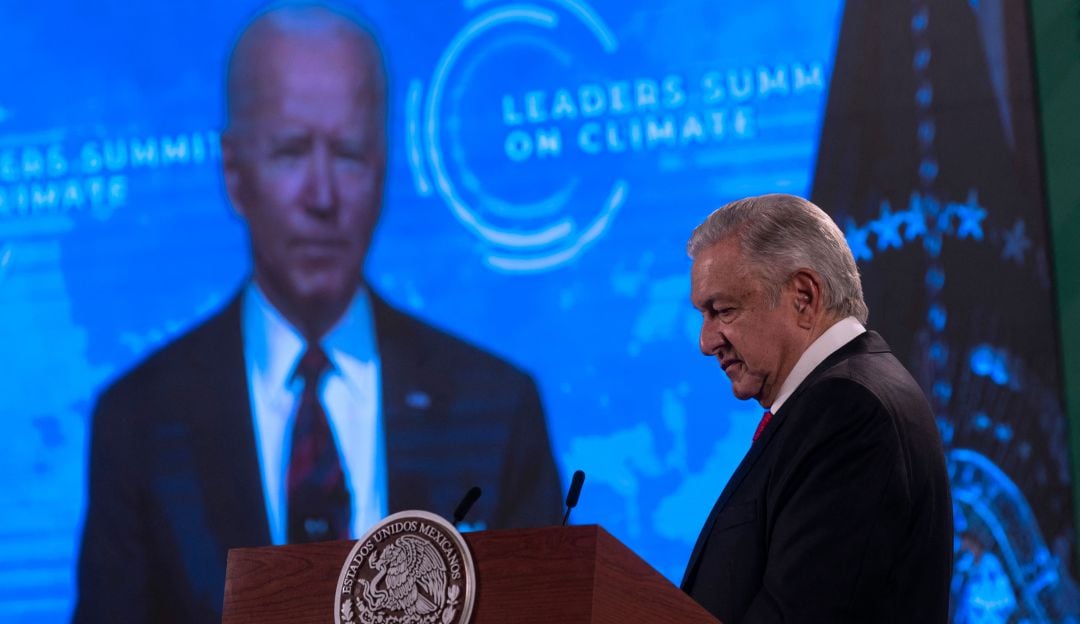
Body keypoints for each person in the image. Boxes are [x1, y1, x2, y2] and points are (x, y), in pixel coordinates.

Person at [73, 4, 562, 622]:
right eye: (291, 150)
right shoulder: (140, 421)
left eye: (350, 153)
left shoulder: (495, 407)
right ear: (233, 171)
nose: (322, 195)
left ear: (384, 169)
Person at [680, 194, 952, 623]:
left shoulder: (850, 411)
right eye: (703, 315)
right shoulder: (836, 400)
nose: (706, 341)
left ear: (803, 297)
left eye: (724, 310)